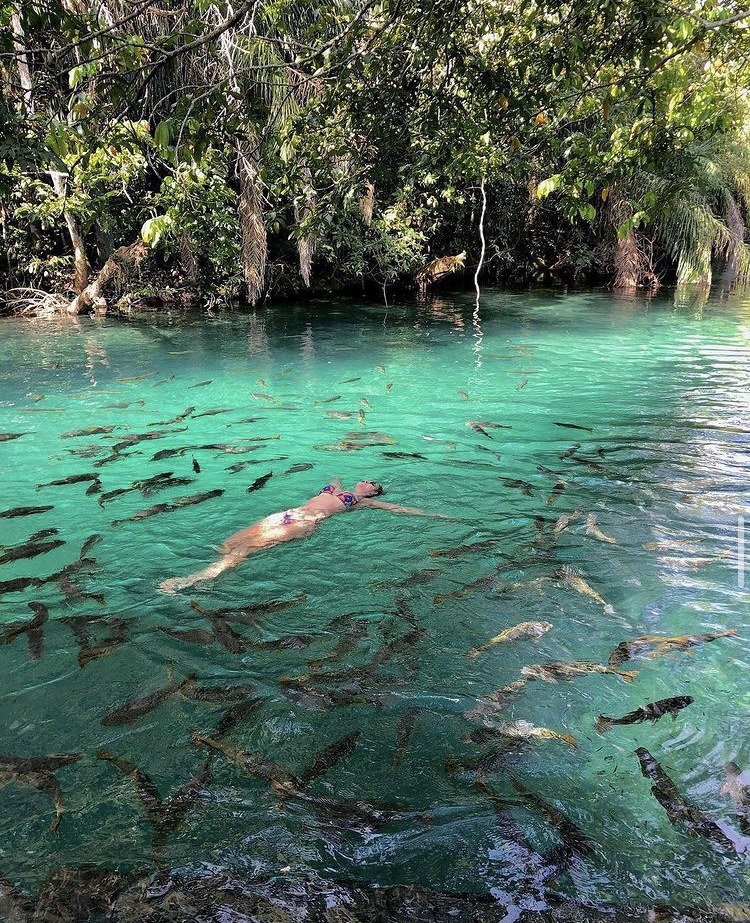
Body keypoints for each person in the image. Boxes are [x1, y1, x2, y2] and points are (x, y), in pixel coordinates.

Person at [159, 479, 438, 593]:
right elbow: (334, 476)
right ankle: (220, 572)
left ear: (373, 492)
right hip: (287, 514)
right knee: (231, 543)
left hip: (305, 521)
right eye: (367, 479)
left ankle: (198, 579)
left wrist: (435, 515)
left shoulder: (362, 501)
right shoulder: (334, 489)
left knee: (247, 549)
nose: (366, 481)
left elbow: (399, 509)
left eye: (372, 483)